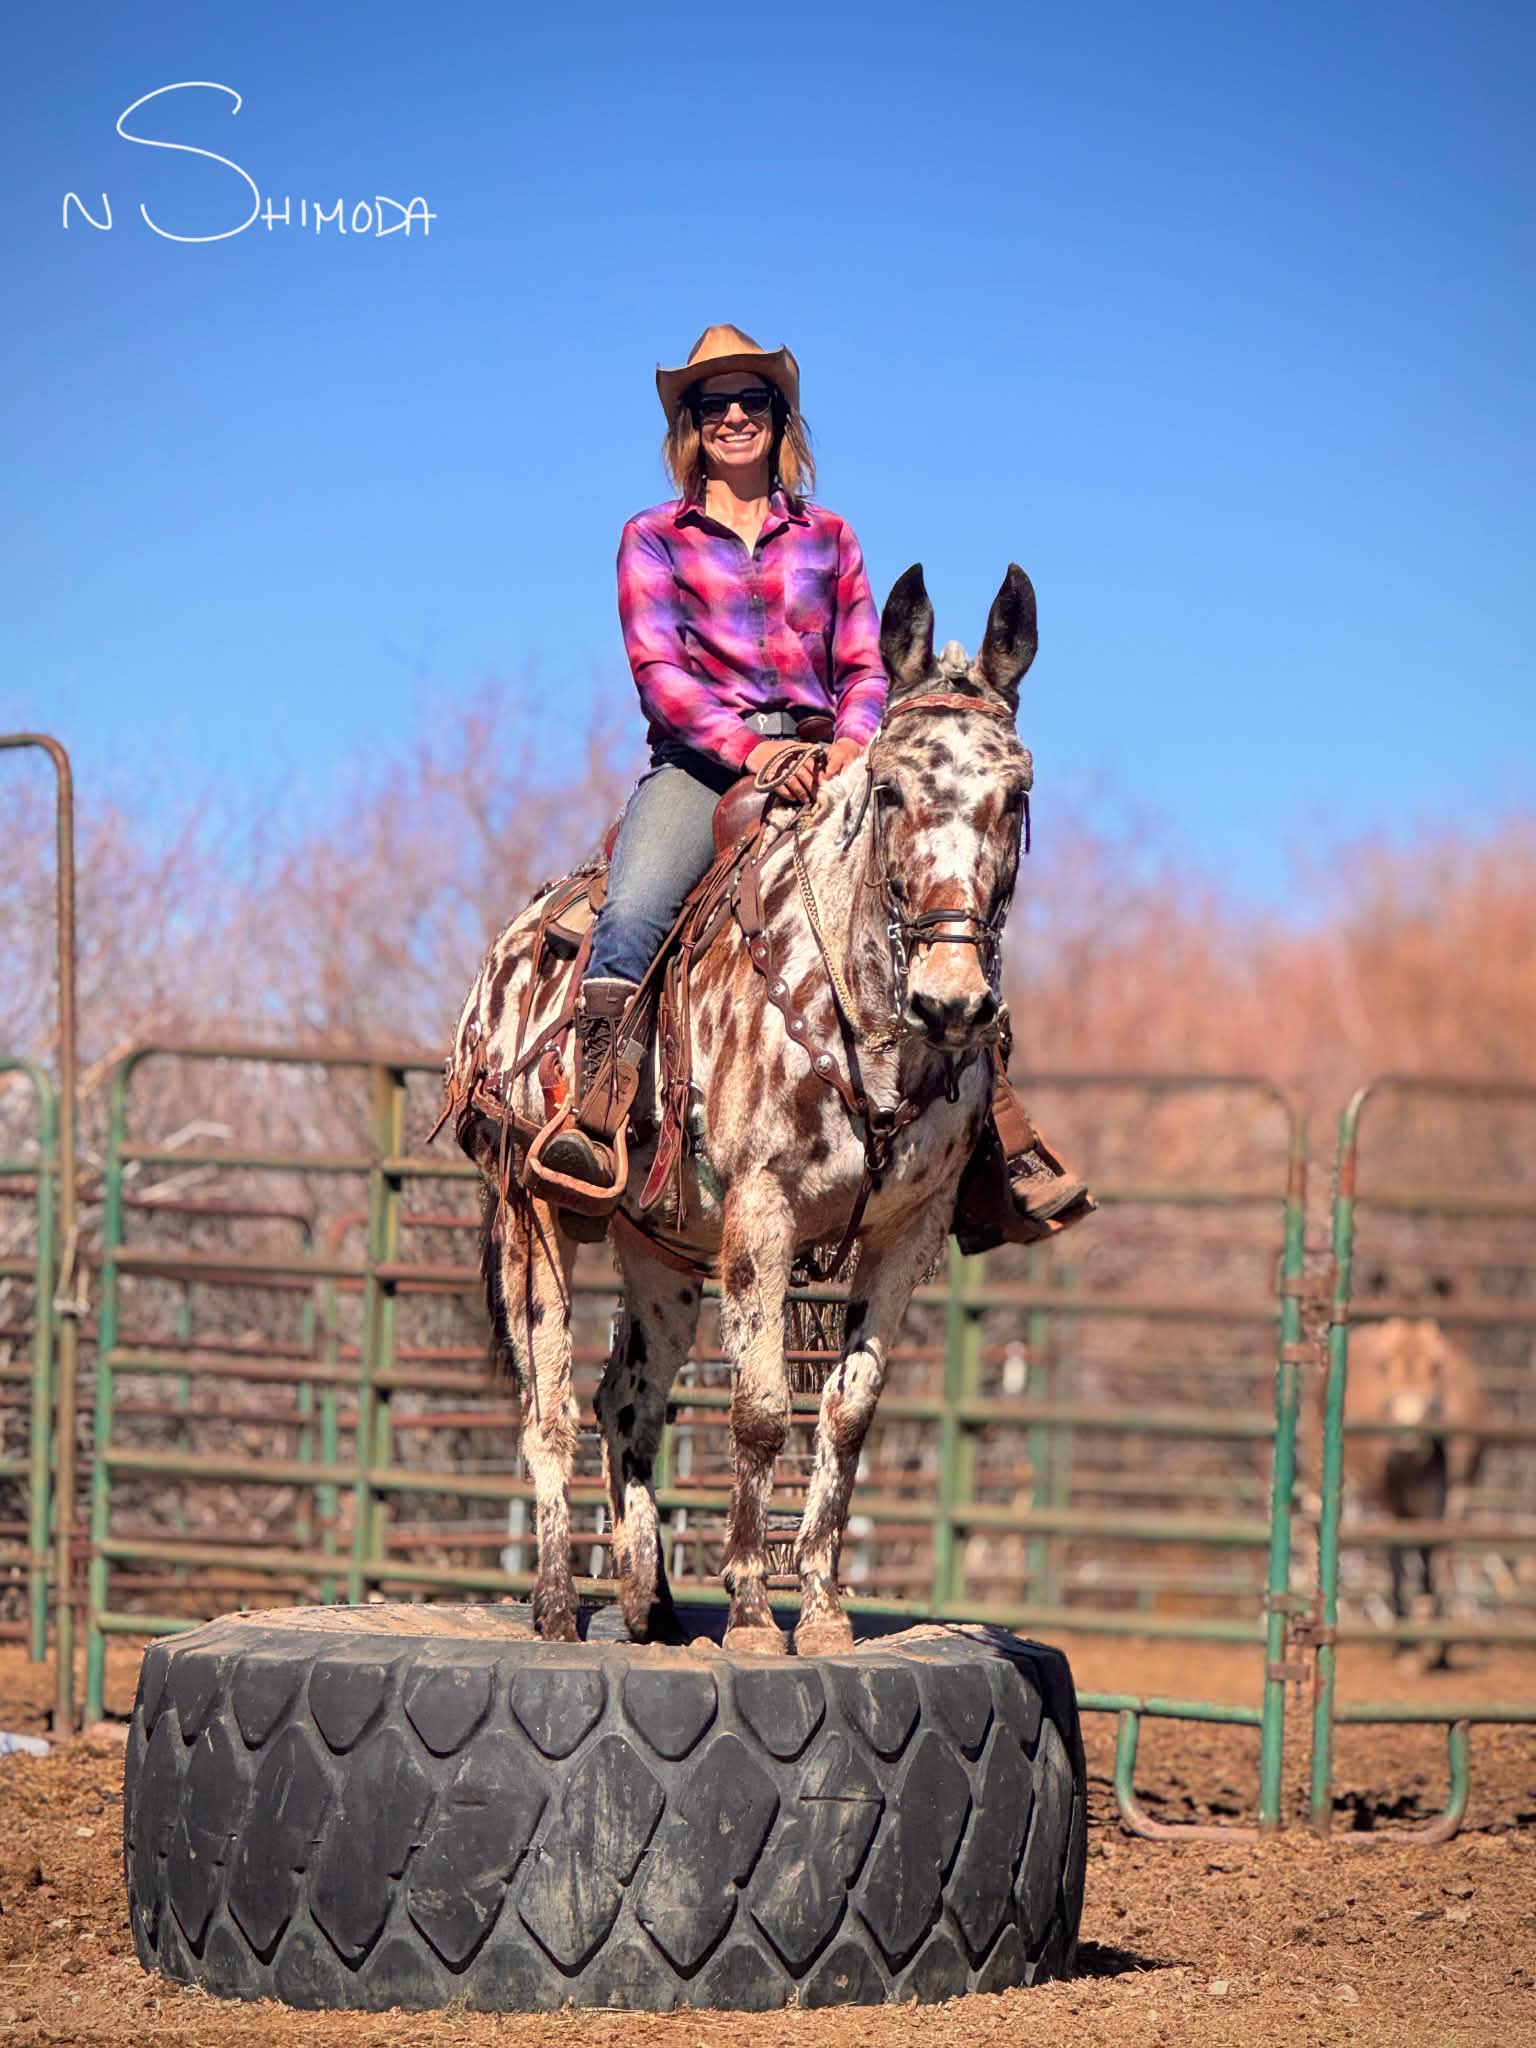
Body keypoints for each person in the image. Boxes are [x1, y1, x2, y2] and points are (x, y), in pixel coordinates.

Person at [539, 323, 1090, 1247]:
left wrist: (852, 746)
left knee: (935, 888)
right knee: (634, 908)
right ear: (690, 427)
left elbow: (865, 667)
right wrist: (751, 755)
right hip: (704, 764)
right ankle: (596, 1111)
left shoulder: (831, 537)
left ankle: (989, 1137)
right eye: (714, 404)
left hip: (829, 756)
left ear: (780, 418)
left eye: (753, 400)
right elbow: (659, 674)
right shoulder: (651, 537)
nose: (735, 417)